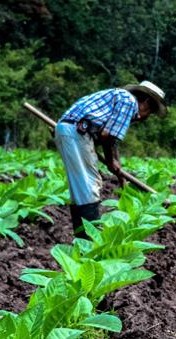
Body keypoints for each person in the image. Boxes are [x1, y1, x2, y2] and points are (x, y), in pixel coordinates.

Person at [54, 81, 167, 236]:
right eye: (150, 113)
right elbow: (107, 135)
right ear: (146, 102)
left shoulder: (118, 97)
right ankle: (89, 238)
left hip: (68, 129)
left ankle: (83, 236)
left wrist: (119, 173)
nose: (144, 118)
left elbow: (111, 140)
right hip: (76, 133)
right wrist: (110, 160)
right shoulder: (129, 102)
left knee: (80, 188)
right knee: (88, 186)